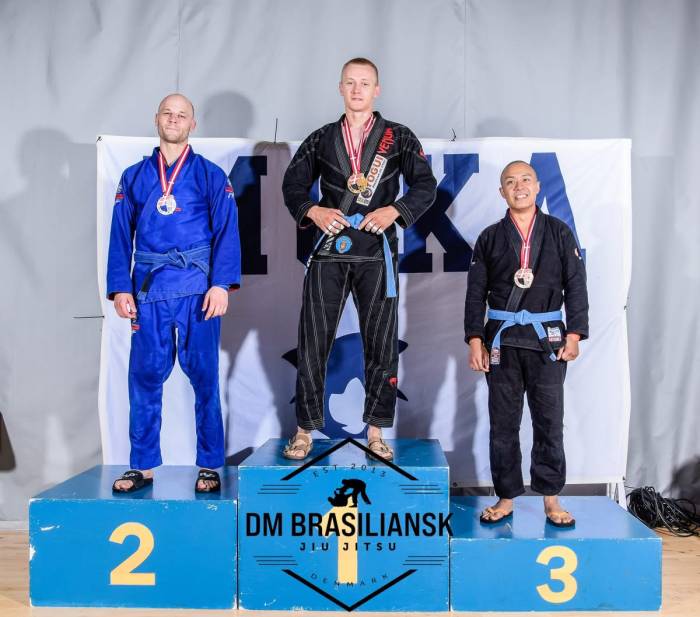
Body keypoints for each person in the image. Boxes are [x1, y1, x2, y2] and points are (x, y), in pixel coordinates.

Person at [281, 58, 437, 461]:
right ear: (340, 88)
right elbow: (293, 183)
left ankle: (376, 431)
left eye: (364, 83)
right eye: (350, 83)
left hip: (376, 249)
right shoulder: (321, 138)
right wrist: (313, 211)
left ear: (376, 90)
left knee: (381, 343)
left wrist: (395, 210)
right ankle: (304, 430)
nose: (357, 90)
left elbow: (425, 184)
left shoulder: (398, 137)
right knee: (313, 340)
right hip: (329, 249)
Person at [107, 93, 241, 493]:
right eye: (168, 113)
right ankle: (143, 466)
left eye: (182, 115)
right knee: (144, 379)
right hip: (148, 290)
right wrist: (120, 288)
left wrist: (221, 284)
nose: (174, 119)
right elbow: (120, 236)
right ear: (157, 119)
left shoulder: (211, 175)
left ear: (192, 125)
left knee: (205, 378)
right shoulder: (134, 176)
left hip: (198, 290)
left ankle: (210, 465)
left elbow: (227, 231)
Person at [464, 160, 588, 527]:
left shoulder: (559, 232)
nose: (519, 187)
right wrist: (475, 339)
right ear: (501, 192)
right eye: (510, 182)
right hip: (501, 341)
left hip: (548, 340)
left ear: (537, 187)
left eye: (525, 180)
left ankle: (551, 497)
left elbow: (576, 285)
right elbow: (475, 294)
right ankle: (506, 497)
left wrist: (575, 334)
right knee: (503, 423)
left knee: (549, 421)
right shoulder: (490, 237)